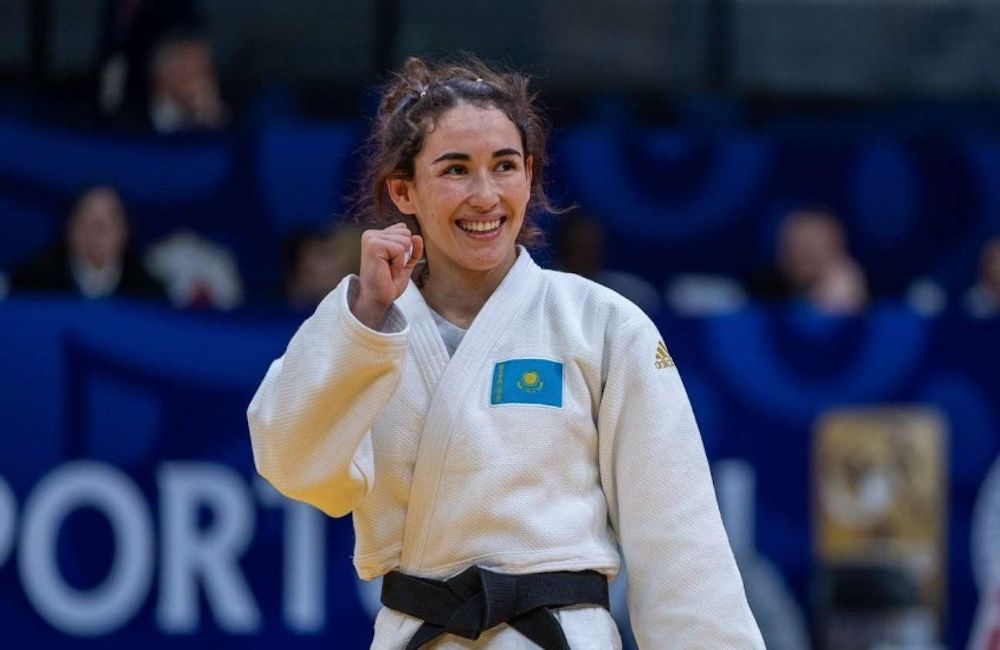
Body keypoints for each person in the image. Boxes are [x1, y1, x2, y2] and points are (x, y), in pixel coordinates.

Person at [247, 57, 763, 649]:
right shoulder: (366, 329)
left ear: (529, 175)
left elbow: (680, 542)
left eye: (504, 166)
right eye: (456, 169)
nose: (485, 196)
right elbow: (294, 467)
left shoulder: (601, 324)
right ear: (403, 190)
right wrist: (364, 318)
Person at [9, 185, 164, 300]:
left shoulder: (148, 292)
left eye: (108, 223)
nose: (97, 233)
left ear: (124, 232)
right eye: (87, 222)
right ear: (69, 228)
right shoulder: (33, 284)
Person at [748, 208, 868, 315]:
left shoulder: (857, 298)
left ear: (837, 251)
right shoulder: (758, 292)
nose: (801, 256)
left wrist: (845, 305)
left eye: (812, 247)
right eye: (794, 246)